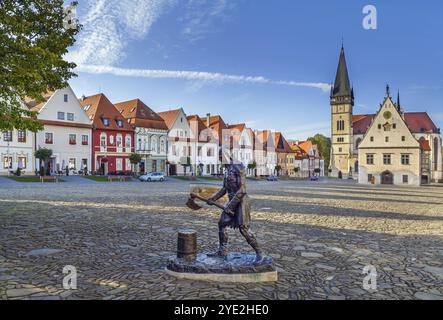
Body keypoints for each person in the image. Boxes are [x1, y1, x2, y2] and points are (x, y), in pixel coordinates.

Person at [207, 159, 263, 263]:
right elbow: (224, 188)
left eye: (222, 155)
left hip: (241, 202)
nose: (220, 159)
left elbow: (242, 190)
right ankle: (222, 250)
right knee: (222, 223)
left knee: (244, 229)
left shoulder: (238, 166)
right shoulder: (227, 170)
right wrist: (213, 198)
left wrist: (231, 205)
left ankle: (259, 252)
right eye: (219, 156)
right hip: (231, 202)